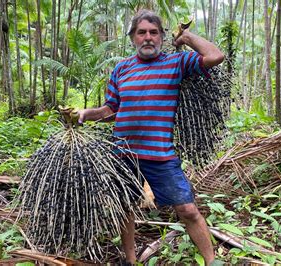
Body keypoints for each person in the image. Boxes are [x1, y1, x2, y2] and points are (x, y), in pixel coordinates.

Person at [76, 9, 224, 265]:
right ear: (133, 37)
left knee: (187, 209)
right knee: (125, 208)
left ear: (161, 37)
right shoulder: (121, 70)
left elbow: (215, 56)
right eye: (141, 32)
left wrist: (187, 38)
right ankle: (131, 261)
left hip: (159, 155)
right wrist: (85, 113)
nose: (148, 38)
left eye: (153, 32)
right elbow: (110, 110)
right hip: (123, 154)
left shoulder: (175, 63)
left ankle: (212, 262)